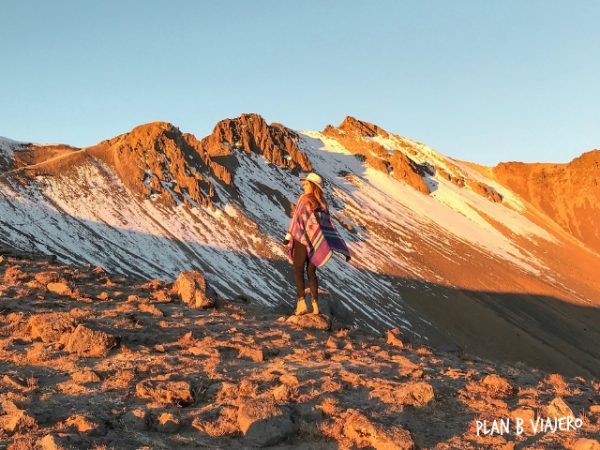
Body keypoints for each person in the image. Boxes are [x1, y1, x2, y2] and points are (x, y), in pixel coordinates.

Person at [283, 172, 351, 315]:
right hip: (316, 242)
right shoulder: (322, 204)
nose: (304, 186)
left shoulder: (304, 200)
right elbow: (327, 227)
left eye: (306, 184)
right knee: (311, 271)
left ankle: (301, 304)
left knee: (298, 269)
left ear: (313, 186)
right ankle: (315, 306)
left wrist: (289, 235)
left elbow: (297, 220)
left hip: (301, 239)